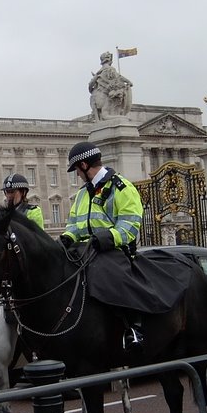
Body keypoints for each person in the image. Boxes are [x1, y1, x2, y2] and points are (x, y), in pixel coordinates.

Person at [59, 141, 144, 348]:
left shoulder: (121, 187)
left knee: (114, 277)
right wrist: (67, 238)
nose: (77, 174)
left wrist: (107, 237)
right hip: (86, 252)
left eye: (77, 170)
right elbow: (75, 225)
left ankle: (132, 328)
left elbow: (130, 225)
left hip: (114, 251)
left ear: (84, 165)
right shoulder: (81, 194)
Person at [88, 51, 133, 120]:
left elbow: (90, 88)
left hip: (97, 97)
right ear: (109, 60)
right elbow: (119, 77)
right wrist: (128, 82)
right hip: (105, 96)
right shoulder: (110, 69)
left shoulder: (98, 74)